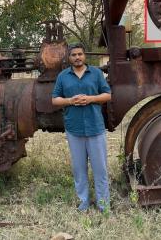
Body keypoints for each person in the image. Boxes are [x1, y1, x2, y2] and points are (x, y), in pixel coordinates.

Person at [52, 43, 111, 212]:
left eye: (80, 54)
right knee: (79, 170)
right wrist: (70, 101)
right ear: (69, 58)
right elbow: (55, 99)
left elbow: (107, 94)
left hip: (95, 128)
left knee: (100, 169)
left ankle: (103, 205)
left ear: (84, 56)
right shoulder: (63, 76)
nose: (77, 57)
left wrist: (91, 99)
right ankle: (83, 203)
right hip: (74, 129)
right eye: (73, 55)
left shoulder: (96, 74)